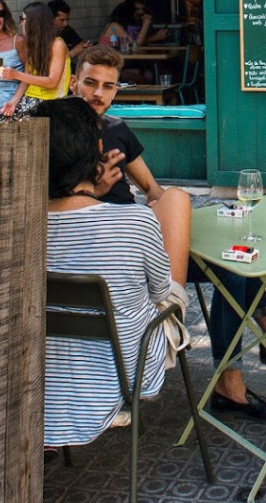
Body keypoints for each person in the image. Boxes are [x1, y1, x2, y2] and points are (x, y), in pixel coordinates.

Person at [76, 46, 266, 418]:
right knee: (229, 268)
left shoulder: (117, 129)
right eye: (90, 83)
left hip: (138, 242)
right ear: (73, 82)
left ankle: (240, 369)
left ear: (117, 90)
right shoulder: (57, 131)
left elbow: (153, 189)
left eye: (108, 87)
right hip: (107, 255)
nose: (99, 94)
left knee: (233, 258)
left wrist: (164, 217)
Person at [39, 96, 172, 448]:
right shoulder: (135, 220)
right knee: (175, 203)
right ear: (97, 150)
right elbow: (160, 294)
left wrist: (91, 193)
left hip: (42, 380)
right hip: (126, 369)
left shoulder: (18, 227)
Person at [0, 2, 69, 121]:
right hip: (28, 100)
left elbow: (52, 82)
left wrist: (16, 74)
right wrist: (13, 102)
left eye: (22, 18)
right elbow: (26, 80)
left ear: (34, 22)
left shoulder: (57, 44)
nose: (21, 23)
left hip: (50, 104)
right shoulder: (32, 44)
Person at [100, 0, 167, 50]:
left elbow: (139, 41)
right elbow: (136, 44)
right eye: (137, 10)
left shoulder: (137, 22)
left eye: (143, 9)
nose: (141, 13)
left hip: (118, 58)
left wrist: (156, 36)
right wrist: (146, 24)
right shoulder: (114, 27)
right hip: (106, 60)